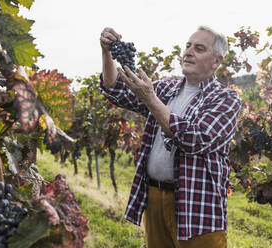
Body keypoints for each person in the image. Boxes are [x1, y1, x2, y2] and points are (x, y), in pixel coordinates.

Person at [98, 26, 242, 248]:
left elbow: (195, 139)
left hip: (197, 207)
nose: (189, 52)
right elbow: (116, 91)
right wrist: (107, 52)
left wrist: (150, 99)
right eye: (188, 46)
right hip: (154, 197)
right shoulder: (166, 88)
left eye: (199, 48)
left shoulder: (226, 99)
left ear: (216, 61)